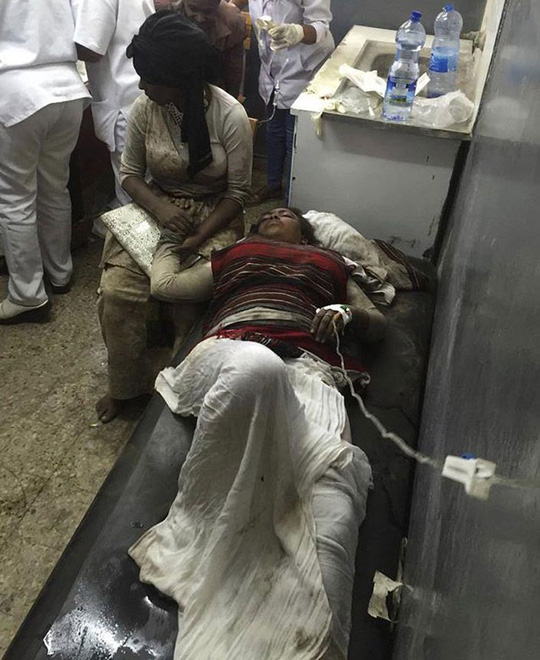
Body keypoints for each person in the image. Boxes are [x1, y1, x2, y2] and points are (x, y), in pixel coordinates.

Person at [130, 207, 384, 659]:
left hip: (309, 371)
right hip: (234, 351)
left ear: (306, 236)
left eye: (286, 213)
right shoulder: (237, 253)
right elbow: (166, 285)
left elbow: (377, 324)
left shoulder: (331, 263)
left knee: (334, 507)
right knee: (256, 369)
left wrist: (347, 313)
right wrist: (171, 242)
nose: (275, 214)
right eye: (267, 214)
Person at [96, 11, 252, 423]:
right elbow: (130, 175)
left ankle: (180, 390)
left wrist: (198, 236)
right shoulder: (145, 108)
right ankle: (126, 386)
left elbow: (238, 194)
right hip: (157, 206)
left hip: (214, 214)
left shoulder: (229, 116)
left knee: (186, 304)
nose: (142, 86)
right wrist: (162, 209)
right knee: (118, 292)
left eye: (150, 78)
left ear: (179, 78)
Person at [0, 0, 90, 324]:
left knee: (15, 198)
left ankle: (27, 295)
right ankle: (60, 273)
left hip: (16, 89)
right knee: (55, 187)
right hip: (66, 87)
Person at [240, 0, 334, 205]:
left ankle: (292, 199)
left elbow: (320, 27)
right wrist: (229, 7)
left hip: (305, 67)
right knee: (273, 130)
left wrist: (297, 32)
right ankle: (273, 185)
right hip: (272, 66)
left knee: (294, 137)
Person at [72, 0, 155, 212]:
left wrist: (44, 41)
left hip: (125, 98)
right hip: (141, 89)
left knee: (134, 191)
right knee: (146, 184)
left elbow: (91, 49)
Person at [170, 0, 247, 98]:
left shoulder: (233, 22)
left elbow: (234, 73)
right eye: (193, 9)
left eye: (208, 12)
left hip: (215, 88)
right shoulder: (167, 13)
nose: (200, 19)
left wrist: (230, 102)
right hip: (174, 84)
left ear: (217, 5)